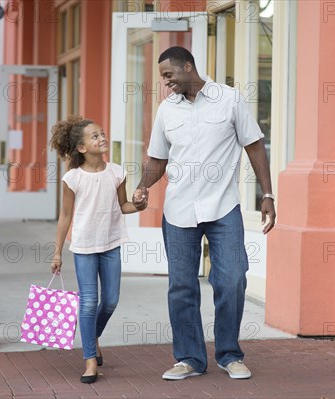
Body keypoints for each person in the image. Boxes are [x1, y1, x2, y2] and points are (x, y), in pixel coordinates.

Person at [132, 46, 276, 380]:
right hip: (179, 208)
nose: (166, 83)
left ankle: (229, 354)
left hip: (223, 205)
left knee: (232, 279)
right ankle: (189, 358)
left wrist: (267, 194)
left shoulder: (229, 99)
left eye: (169, 75)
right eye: (163, 78)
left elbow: (254, 145)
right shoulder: (167, 110)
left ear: (187, 66)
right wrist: (143, 186)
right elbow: (158, 159)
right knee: (181, 286)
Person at [49, 115, 146, 384]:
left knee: (111, 300)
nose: (101, 138)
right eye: (94, 136)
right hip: (83, 246)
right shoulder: (73, 178)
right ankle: (90, 360)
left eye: (101, 133)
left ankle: (93, 336)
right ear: (81, 148)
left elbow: (123, 206)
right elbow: (65, 216)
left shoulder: (117, 172)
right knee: (89, 302)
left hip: (111, 244)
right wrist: (57, 251)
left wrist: (139, 206)